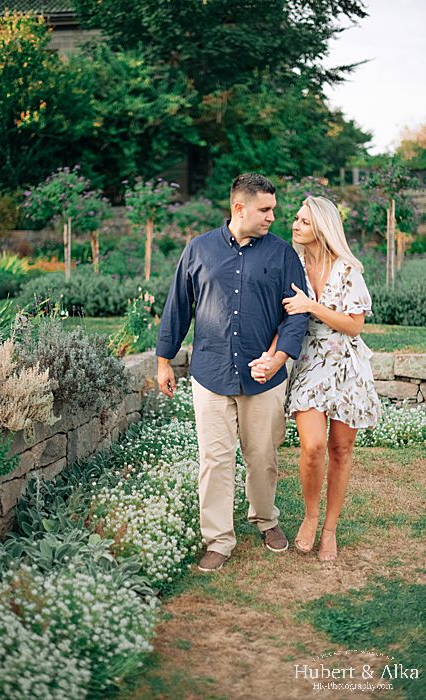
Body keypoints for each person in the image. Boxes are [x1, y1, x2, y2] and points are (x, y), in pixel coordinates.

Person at [156, 173, 309, 572]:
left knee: (262, 457)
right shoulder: (199, 250)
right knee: (215, 459)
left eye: (273, 209)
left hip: (264, 378)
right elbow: (178, 307)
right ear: (239, 208)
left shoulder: (282, 255)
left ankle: (266, 519)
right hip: (211, 373)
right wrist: (163, 360)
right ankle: (219, 540)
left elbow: (297, 315)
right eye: (266, 209)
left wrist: (279, 359)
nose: (274, 217)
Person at [254, 196, 379, 561]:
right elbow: (283, 318)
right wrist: (272, 354)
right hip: (309, 362)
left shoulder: (347, 270)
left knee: (341, 449)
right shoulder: (291, 265)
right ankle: (310, 517)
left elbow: (354, 325)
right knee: (313, 447)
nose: (294, 225)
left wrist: (313, 307)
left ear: (322, 227)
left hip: (346, 366)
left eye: (303, 221)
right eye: (295, 218)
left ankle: (329, 530)